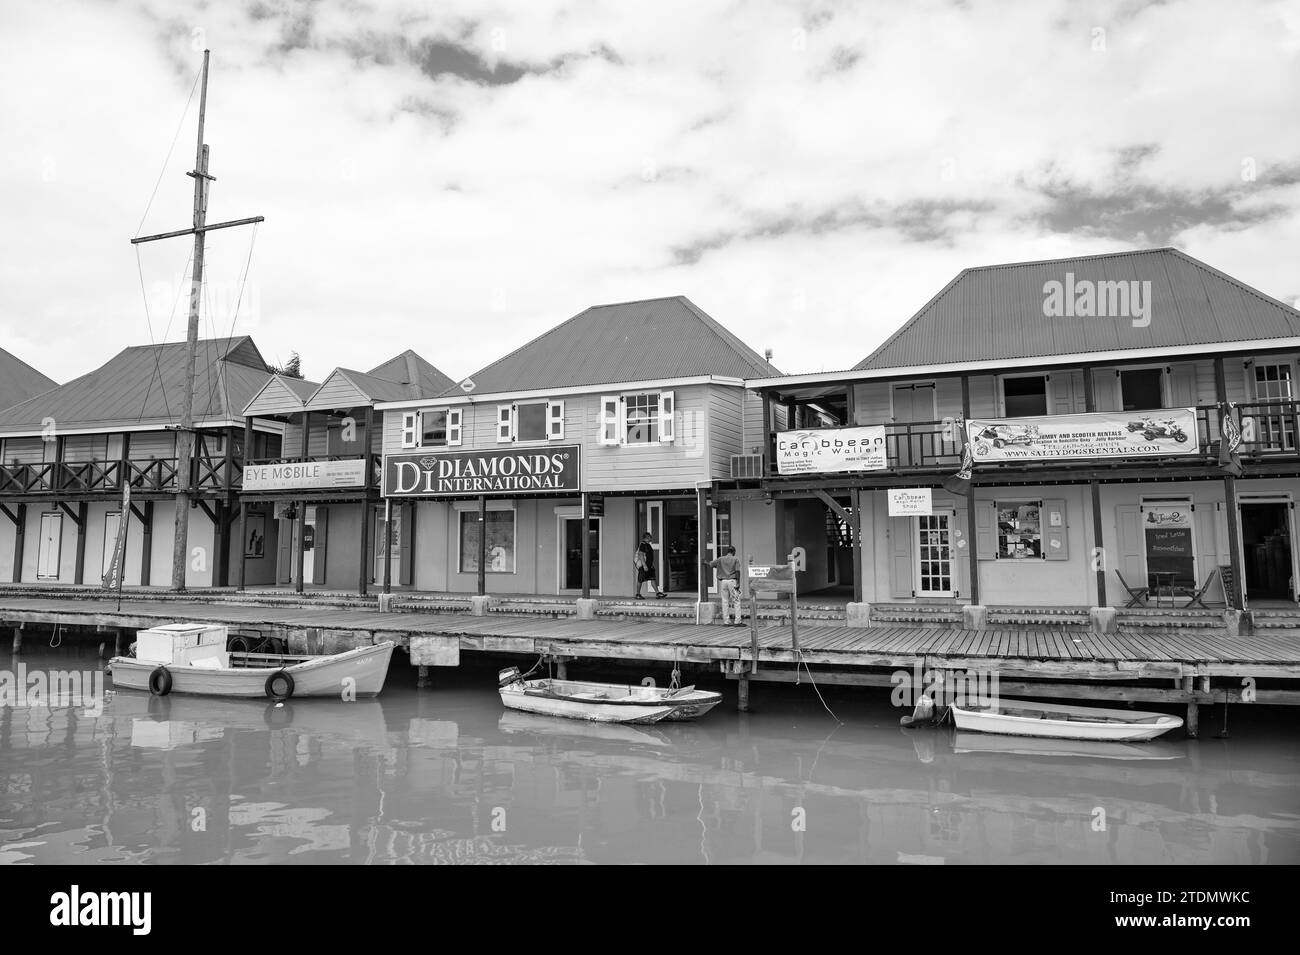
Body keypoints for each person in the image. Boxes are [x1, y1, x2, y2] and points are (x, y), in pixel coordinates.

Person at [707, 545, 742, 625]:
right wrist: (738, 582)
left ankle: (726, 621)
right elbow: (737, 571)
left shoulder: (720, 559)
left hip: (723, 582)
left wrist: (705, 562)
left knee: (725, 601)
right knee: (736, 601)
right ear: (734, 552)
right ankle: (737, 621)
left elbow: (711, 564)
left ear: (727, 552)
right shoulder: (735, 559)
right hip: (732, 581)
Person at [634, 533, 665, 599]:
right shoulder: (643, 544)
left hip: (649, 566)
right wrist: (644, 565)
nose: (651, 539)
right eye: (650, 537)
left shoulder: (647, 545)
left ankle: (657, 593)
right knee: (640, 579)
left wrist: (651, 564)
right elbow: (641, 555)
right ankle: (638, 594)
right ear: (646, 538)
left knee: (653, 578)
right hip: (644, 566)